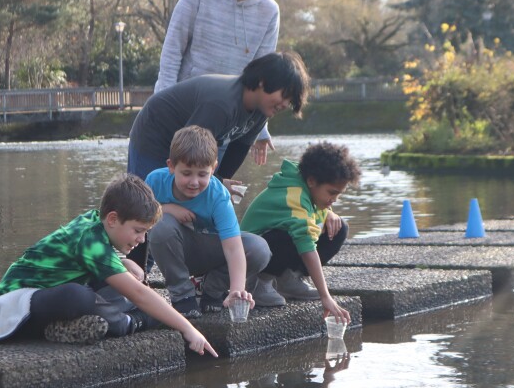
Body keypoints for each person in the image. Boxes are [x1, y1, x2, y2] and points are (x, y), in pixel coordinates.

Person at [0, 174, 217, 357]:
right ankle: (128, 323)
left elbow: (94, 261)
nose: (142, 240)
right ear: (113, 219)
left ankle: (81, 325)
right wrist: (188, 328)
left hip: (46, 295)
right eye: (138, 231)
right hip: (17, 303)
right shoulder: (90, 240)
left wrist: (123, 261)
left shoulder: (95, 223)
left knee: (122, 292)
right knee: (80, 297)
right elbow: (139, 293)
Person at [126, 51, 309, 271]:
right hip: (154, 135)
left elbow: (238, 147)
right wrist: (211, 180)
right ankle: (136, 275)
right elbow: (192, 147)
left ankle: (191, 270)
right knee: (144, 206)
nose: (285, 104)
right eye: (285, 95)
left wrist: (220, 180)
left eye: (290, 100)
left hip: (188, 140)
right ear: (263, 82)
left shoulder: (260, 113)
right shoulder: (221, 104)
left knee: (198, 197)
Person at [155, 0, 280, 166]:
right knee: (159, 191)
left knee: (204, 192)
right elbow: (172, 53)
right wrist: (160, 107)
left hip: (224, 121)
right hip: (182, 111)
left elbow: (264, 77)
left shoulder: (270, 11)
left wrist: (260, 128)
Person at [146, 126, 269, 317]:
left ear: (213, 169)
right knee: (161, 224)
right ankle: (182, 295)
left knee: (259, 249)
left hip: (212, 251)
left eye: (202, 174)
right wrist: (165, 209)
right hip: (177, 251)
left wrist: (237, 289)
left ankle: (212, 290)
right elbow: (137, 219)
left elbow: (233, 247)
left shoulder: (218, 194)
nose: (194, 182)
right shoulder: (155, 181)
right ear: (171, 166)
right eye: (186, 173)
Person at [240, 142, 359, 324]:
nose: (334, 199)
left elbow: (312, 217)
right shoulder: (293, 196)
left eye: (338, 195)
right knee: (288, 237)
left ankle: (290, 281)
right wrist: (325, 296)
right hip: (251, 258)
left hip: (276, 243)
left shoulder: (308, 189)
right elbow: (307, 247)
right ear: (312, 181)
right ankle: (260, 284)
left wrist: (328, 212)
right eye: (331, 193)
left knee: (339, 228)